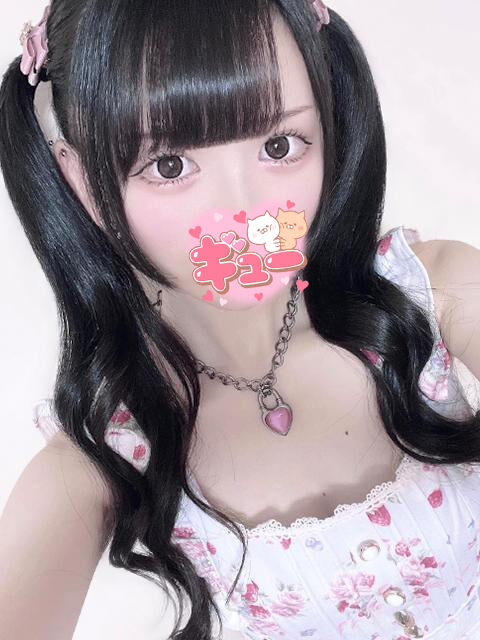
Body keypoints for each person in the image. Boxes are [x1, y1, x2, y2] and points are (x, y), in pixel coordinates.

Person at [1, 1, 480, 638]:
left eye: (280, 146)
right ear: (81, 179)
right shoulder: (105, 454)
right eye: (169, 165)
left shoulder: (435, 293)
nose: (245, 209)